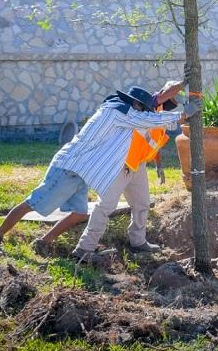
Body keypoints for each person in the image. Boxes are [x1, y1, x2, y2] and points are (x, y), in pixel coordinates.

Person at [0, 84, 198, 256]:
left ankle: (43, 242)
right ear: (134, 103)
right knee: (35, 202)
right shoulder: (118, 111)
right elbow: (147, 118)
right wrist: (182, 114)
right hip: (70, 166)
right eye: (141, 107)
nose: (143, 110)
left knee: (79, 213)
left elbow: (147, 124)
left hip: (84, 170)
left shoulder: (123, 113)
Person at [70, 80, 184, 260]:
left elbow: (153, 145)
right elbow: (164, 94)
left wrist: (159, 166)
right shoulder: (142, 108)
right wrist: (184, 82)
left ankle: (138, 241)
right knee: (106, 205)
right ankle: (85, 247)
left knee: (142, 203)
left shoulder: (158, 118)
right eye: (170, 103)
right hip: (120, 164)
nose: (170, 106)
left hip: (137, 165)